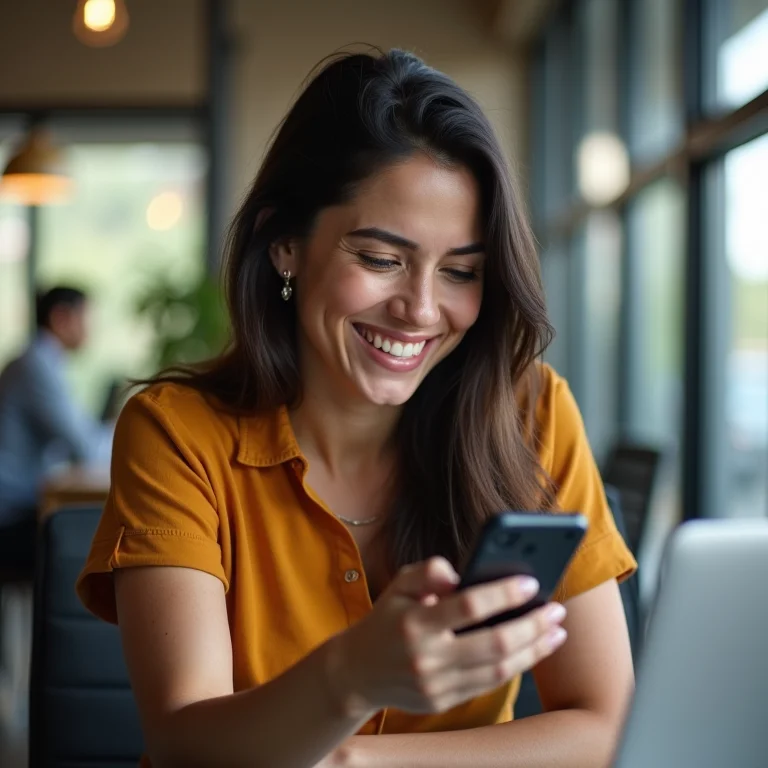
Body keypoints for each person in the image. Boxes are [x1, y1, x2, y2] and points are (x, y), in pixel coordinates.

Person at [76, 49, 637, 768]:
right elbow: (186, 745)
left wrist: (356, 763)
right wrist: (349, 678)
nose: (422, 310)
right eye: (380, 259)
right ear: (285, 244)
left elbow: (605, 723)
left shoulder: (531, 416)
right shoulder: (177, 433)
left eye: (462, 271)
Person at [0, 286, 113, 568]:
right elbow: (84, 447)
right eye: (85, 318)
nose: (90, 330)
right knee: (94, 536)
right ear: (61, 317)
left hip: (19, 504)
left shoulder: (41, 361)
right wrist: (133, 437)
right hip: (11, 515)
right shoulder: (36, 366)